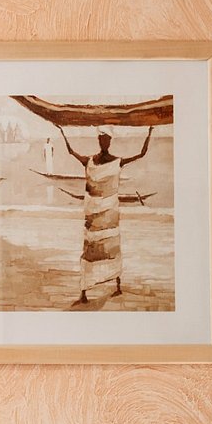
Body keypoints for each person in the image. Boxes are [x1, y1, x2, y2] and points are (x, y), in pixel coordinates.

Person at [58, 124, 153, 303]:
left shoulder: (116, 162)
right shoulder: (89, 161)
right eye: (102, 139)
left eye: (106, 140)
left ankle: (116, 285)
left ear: (110, 142)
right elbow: (71, 151)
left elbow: (141, 154)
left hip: (109, 213)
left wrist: (150, 132)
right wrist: (62, 132)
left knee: (111, 248)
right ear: (99, 141)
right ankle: (84, 291)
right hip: (93, 214)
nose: (104, 142)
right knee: (90, 250)